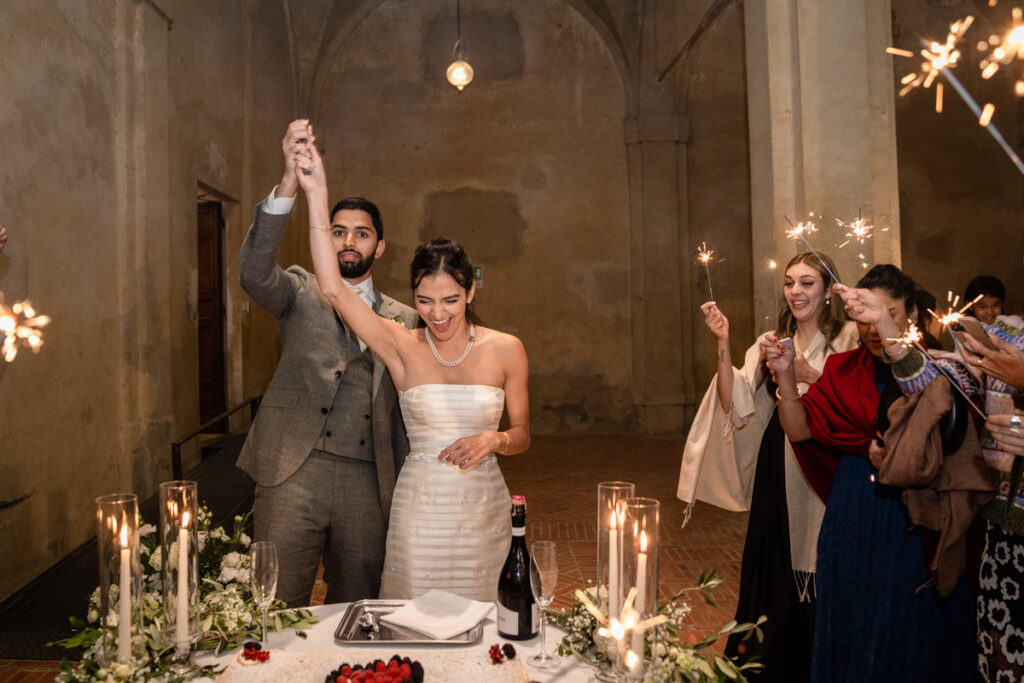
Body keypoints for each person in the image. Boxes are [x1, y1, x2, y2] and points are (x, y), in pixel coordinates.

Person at [293, 127, 530, 602]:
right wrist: (316, 192)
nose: (438, 315)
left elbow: (523, 434)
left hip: (484, 510)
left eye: (450, 301)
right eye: (425, 301)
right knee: (414, 621)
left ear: (470, 292)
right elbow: (335, 289)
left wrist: (496, 438)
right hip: (419, 512)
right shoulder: (401, 344)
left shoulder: (507, 348)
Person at [236, 120, 418, 607]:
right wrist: (289, 183)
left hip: (367, 478)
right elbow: (253, 273)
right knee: (277, 603)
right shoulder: (299, 289)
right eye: (338, 232)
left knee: (359, 608)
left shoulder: (408, 318)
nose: (348, 242)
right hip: (293, 470)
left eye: (361, 234)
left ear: (379, 247)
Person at [766, 264, 976, 681]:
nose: (875, 329)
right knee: (849, 622)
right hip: (852, 513)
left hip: (909, 521)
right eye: (866, 318)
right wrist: (787, 375)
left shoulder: (938, 370)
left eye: (888, 314)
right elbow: (800, 429)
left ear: (910, 314)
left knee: (902, 627)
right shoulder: (844, 369)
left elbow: (951, 440)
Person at [677, 252, 856, 681]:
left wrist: (803, 371)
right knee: (775, 566)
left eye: (808, 283)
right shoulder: (770, 339)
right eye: (790, 283)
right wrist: (723, 342)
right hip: (781, 461)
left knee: (828, 560)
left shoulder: (850, 336)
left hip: (831, 457)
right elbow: (732, 400)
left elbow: (856, 399)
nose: (796, 292)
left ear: (829, 288)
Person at [945, 316, 1024, 681]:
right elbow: (950, 382)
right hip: (1006, 535)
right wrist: (891, 332)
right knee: (1001, 659)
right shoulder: (1010, 333)